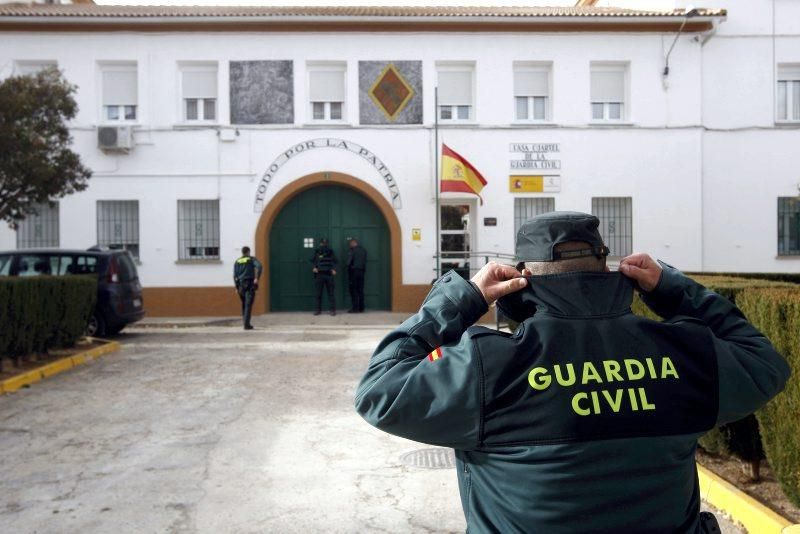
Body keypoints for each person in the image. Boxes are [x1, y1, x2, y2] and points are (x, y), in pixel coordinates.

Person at [354, 211, 790, 533]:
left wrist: (463, 297)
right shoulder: (679, 351)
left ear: (522, 279)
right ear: (607, 268)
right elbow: (763, 361)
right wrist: (674, 289)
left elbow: (379, 390)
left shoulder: (488, 367)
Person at [233, 246, 262, 330]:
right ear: (248, 252)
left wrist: (236, 287)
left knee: (244, 304)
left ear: (242, 252)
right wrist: (257, 278)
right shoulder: (251, 259)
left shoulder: (237, 261)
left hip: (241, 286)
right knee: (248, 305)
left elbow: (235, 276)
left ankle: (245, 323)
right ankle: (246, 325)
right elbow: (259, 267)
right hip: (249, 284)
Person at [310, 237, 337, 316]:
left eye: (325, 243)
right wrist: (314, 267)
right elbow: (312, 260)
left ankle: (332, 310)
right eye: (323, 243)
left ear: (327, 243)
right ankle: (317, 310)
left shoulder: (330, 251)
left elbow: (335, 261)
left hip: (329, 274)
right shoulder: (317, 251)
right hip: (319, 274)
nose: (324, 244)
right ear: (320, 243)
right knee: (318, 294)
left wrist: (334, 269)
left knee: (331, 294)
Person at [346, 238, 367, 313]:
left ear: (353, 243)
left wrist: (348, 267)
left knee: (354, 290)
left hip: (353, 272)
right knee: (360, 290)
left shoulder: (352, 251)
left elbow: (348, 262)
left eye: (350, 244)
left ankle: (355, 308)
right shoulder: (363, 250)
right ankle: (362, 308)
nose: (350, 245)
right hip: (361, 272)